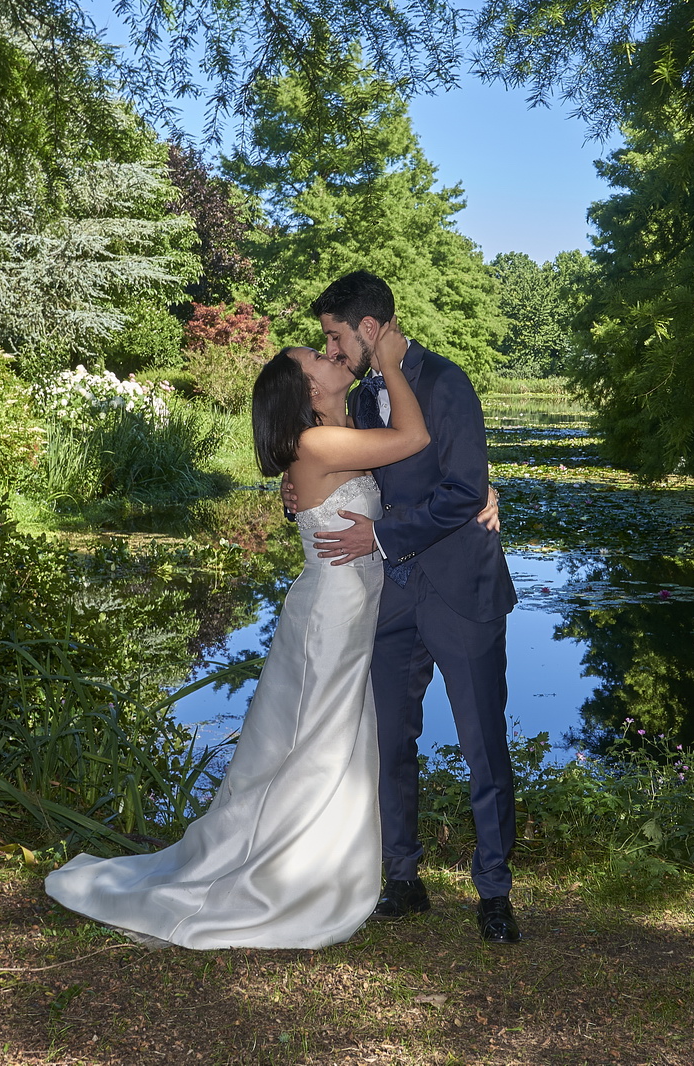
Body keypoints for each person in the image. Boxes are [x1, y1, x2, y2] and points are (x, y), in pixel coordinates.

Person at [44, 323, 425, 949]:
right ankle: (287, 873)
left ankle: (307, 860)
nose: (332, 356)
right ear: (306, 388)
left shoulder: (330, 435)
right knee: (318, 741)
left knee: (316, 738)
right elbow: (412, 439)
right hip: (333, 609)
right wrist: (392, 361)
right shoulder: (322, 442)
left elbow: (381, 477)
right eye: (319, 357)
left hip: (343, 606)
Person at [300, 271, 522, 944]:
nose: (332, 352)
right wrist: (300, 493)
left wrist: (384, 533)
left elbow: (462, 491)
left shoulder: (448, 383)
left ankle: (494, 892)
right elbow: (345, 471)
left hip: (462, 591)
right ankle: (403, 878)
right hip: (389, 597)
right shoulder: (362, 400)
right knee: (389, 740)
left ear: (369, 330)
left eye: (335, 337)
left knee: (483, 745)